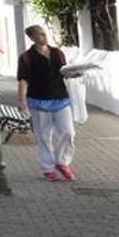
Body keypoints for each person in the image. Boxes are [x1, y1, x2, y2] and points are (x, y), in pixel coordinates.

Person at [17, 25, 76, 182]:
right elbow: (23, 80)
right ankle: (48, 168)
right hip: (38, 101)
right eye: (41, 34)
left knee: (68, 132)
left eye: (44, 33)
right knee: (44, 137)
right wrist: (22, 100)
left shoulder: (57, 53)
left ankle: (63, 163)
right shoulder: (26, 58)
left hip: (60, 99)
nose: (44, 37)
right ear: (32, 37)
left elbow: (64, 72)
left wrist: (74, 73)